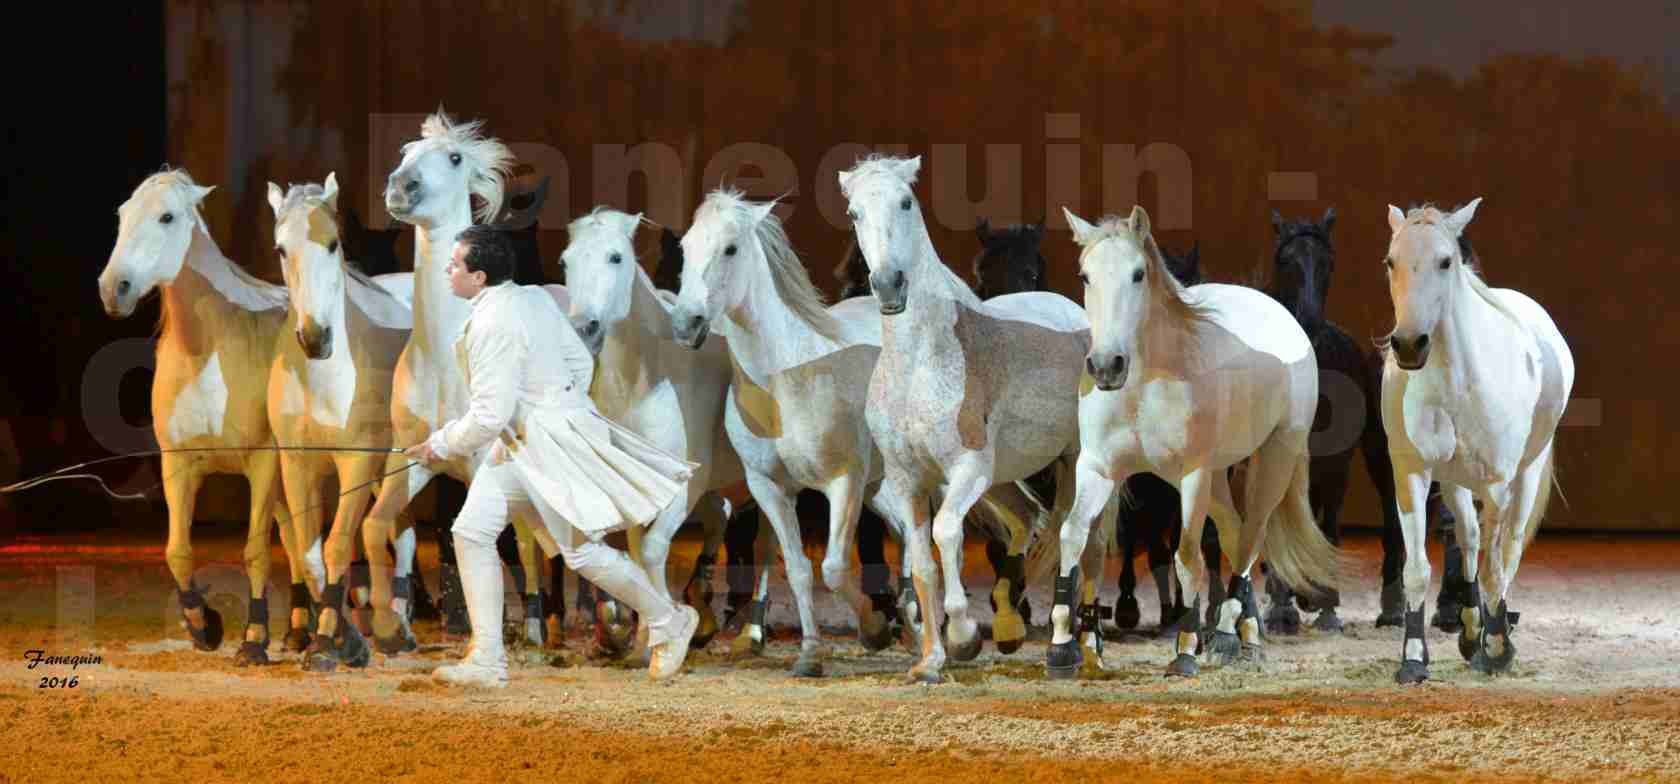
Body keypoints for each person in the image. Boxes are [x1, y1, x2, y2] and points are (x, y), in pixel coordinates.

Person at [406, 224, 700, 687]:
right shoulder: (534, 299)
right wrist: (558, 405)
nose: (448, 268)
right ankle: (486, 658)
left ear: (479, 276)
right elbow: (581, 364)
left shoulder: (491, 323)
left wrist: (438, 445)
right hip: (523, 442)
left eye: (456, 263)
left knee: (581, 553)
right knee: (471, 531)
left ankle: (670, 620)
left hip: (542, 444)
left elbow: (488, 414)